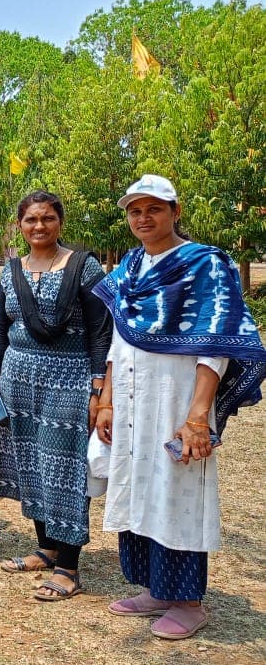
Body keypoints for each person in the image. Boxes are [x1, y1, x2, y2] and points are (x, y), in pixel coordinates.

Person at [92, 174, 266, 639]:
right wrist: (106, 399)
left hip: (178, 398)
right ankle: (156, 589)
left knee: (178, 490)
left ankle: (189, 601)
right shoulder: (129, 266)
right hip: (130, 399)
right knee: (138, 486)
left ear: (175, 211)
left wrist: (197, 416)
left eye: (153, 208)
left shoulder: (206, 263)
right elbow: (117, 339)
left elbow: (217, 342)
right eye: (135, 210)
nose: (143, 218)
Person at [0, 192, 112, 600]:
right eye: (31, 219)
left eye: (48, 218)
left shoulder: (84, 266)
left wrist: (97, 388)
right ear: (20, 225)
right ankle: (46, 549)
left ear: (60, 222)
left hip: (69, 379)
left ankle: (69, 567)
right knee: (30, 464)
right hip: (17, 380)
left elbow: (101, 329)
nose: (40, 226)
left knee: (65, 467)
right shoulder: (10, 270)